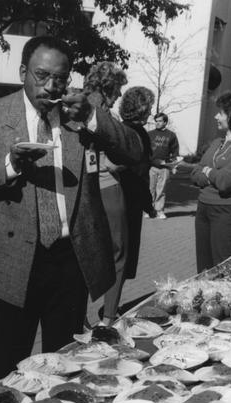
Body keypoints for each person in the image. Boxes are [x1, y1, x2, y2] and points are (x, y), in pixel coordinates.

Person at [0, 36, 143, 381]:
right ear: (23, 72)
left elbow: (135, 153)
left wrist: (92, 118)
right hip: (16, 258)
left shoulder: (79, 115)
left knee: (63, 364)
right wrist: (9, 165)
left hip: (71, 258)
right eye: (41, 75)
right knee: (10, 367)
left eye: (60, 77)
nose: (51, 85)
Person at [82, 63, 129, 326]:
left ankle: (77, 318)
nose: (120, 95)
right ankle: (109, 316)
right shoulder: (102, 114)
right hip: (107, 187)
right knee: (118, 253)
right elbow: (113, 158)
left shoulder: (75, 106)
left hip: (81, 190)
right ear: (108, 87)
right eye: (118, 88)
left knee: (80, 252)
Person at [191, 91, 231, 273]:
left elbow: (227, 181)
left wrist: (208, 171)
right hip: (204, 208)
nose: (216, 116)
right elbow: (194, 173)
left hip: (228, 211)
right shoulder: (217, 141)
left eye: (221, 113)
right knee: (203, 269)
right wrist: (211, 174)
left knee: (223, 270)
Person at [119, 86, 156, 285]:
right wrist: (149, 206)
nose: (151, 111)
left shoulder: (130, 129)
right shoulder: (133, 133)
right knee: (123, 256)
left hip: (129, 198)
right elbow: (138, 173)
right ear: (140, 108)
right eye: (148, 107)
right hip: (128, 201)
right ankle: (109, 311)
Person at [148, 112, 179, 219]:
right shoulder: (150, 134)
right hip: (151, 167)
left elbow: (175, 152)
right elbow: (145, 151)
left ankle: (159, 210)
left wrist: (174, 167)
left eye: (160, 121)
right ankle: (149, 209)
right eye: (156, 121)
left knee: (161, 190)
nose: (157, 123)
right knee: (150, 189)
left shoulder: (171, 135)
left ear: (165, 122)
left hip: (165, 167)